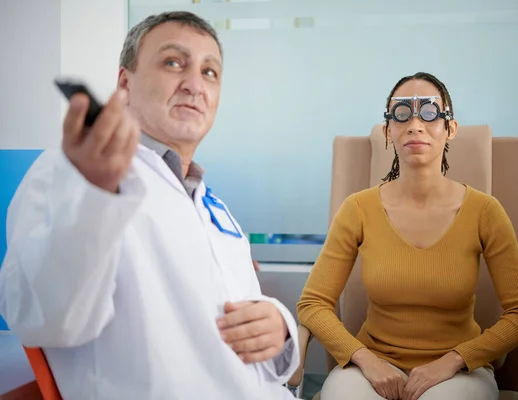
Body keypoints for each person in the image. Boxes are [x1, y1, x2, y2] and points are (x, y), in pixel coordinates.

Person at [0, 12, 298, 400]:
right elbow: (45, 320)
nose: (194, 85)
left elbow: (231, 308)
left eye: (210, 72)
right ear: (125, 82)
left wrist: (280, 327)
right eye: (174, 63)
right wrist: (96, 195)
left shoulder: (212, 204)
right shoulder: (73, 174)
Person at [296, 72, 518, 400]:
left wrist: (456, 359)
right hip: (371, 367)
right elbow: (312, 304)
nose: (415, 125)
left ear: (450, 129)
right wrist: (366, 359)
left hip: (459, 372)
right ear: (388, 132)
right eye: (402, 113)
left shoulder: (485, 211)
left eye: (429, 112)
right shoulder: (357, 209)